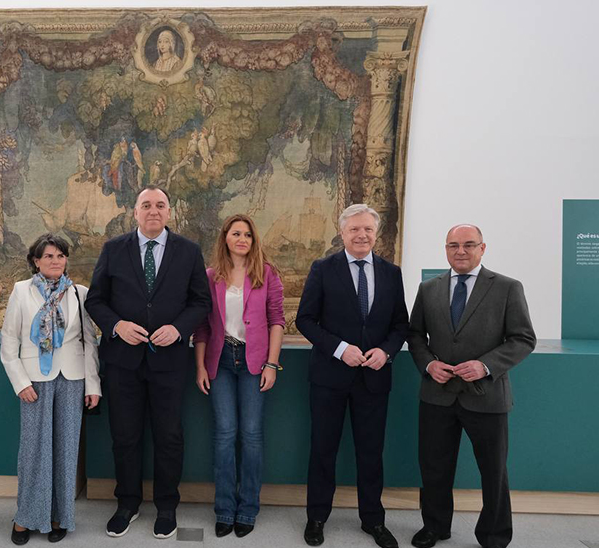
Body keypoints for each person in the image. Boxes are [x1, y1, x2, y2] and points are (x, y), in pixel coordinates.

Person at [85, 186, 211, 539]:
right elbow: (95, 301)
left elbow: (201, 302)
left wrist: (179, 328)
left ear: (169, 212)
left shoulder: (188, 251)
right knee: (124, 436)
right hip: (123, 361)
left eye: (160, 205)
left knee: (169, 436)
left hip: (170, 361)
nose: (153, 210)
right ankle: (127, 504)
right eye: (146, 205)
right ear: (135, 212)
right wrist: (117, 326)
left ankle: (166, 506)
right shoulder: (113, 249)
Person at [407, 224, 535, 548]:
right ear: (445, 249)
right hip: (437, 395)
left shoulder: (507, 287)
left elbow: (523, 339)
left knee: (493, 472)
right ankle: (435, 527)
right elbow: (415, 335)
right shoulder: (428, 288)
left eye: (468, 245)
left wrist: (485, 365)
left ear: (482, 248)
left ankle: (494, 535)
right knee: (434, 468)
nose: (460, 251)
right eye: (453, 246)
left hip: (487, 397)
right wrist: (428, 364)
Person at [295, 204, 408, 548]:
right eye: (354, 229)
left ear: (376, 233)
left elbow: (400, 324)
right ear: (342, 233)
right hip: (329, 377)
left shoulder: (391, 272)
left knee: (371, 453)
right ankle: (316, 518)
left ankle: (373, 520)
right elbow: (305, 320)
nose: (361, 235)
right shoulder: (323, 269)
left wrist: (386, 351)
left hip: (374, 379)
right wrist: (340, 348)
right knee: (323, 450)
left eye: (368, 230)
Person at [0, 233, 102, 545]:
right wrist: (20, 383)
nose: (55, 261)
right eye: (48, 256)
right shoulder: (21, 292)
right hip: (34, 382)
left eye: (60, 256)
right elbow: (9, 342)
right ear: (36, 261)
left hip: (72, 380)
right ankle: (26, 517)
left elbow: (90, 342)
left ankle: (60, 516)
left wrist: (93, 384)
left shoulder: (80, 294)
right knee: (34, 451)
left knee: (66, 451)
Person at [193, 214, 285, 538]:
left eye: (247, 234)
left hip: (254, 363)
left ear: (253, 239)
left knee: (251, 436)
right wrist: (201, 366)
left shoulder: (267, 274)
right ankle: (224, 509)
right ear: (226, 238)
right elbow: (202, 326)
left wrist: (272, 364)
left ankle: (247, 509)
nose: (242, 239)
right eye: (236, 233)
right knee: (224, 435)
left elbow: (277, 320)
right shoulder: (210, 276)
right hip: (220, 362)